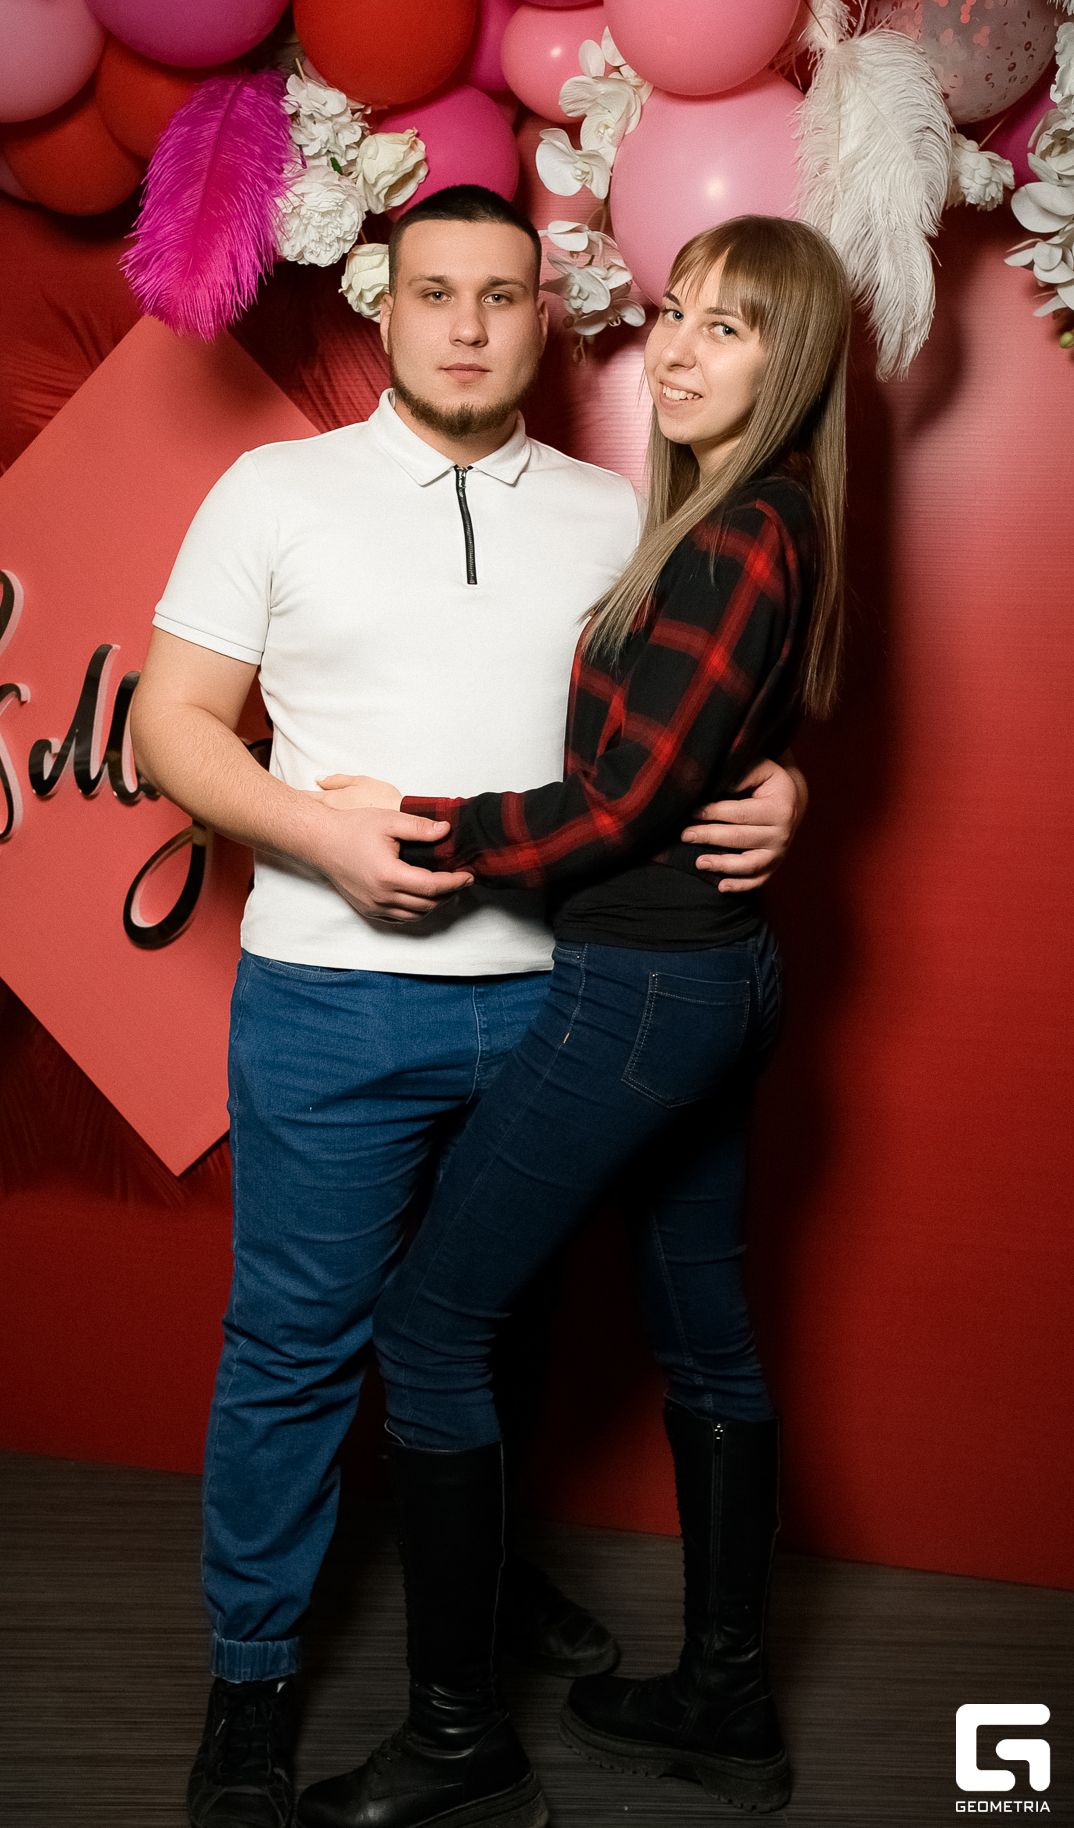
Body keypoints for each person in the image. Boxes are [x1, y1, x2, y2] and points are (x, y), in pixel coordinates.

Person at [129, 187, 806, 1828]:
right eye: (435, 292)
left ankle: (483, 1596)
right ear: (385, 308)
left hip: (561, 1001)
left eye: (502, 294)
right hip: (332, 999)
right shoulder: (273, 488)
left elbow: (691, 713)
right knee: (295, 1346)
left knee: (501, 1332)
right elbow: (172, 728)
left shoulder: (618, 507)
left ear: (546, 320)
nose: (469, 324)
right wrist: (319, 835)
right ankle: (253, 1676)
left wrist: (791, 783)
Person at [294, 214, 852, 1828]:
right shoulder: (739, 524)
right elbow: (697, 758)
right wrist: (781, 779)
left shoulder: (743, 536)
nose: (678, 349)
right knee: (707, 1336)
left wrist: (418, 826)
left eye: (730, 327)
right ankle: (724, 1706)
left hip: (646, 992)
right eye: (676, 312)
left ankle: (459, 1746)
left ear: (793, 363)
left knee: (428, 1330)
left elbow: (618, 803)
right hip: (712, 976)